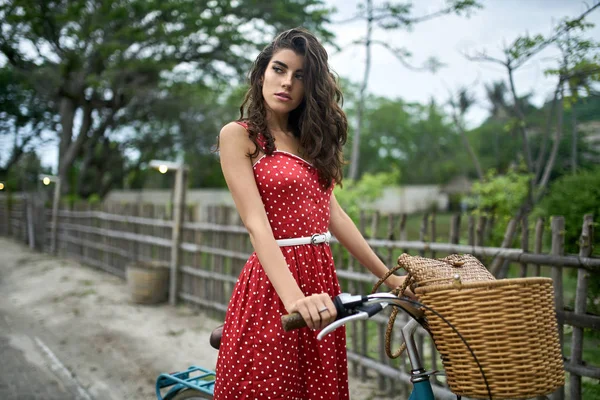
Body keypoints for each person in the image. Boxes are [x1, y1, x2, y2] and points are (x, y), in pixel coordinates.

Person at [214, 27, 407, 400]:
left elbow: (335, 217)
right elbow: (256, 224)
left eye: (299, 76)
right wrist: (294, 298)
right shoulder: (240, 136)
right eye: (279, 69)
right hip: (275, 286)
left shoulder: (310, 141)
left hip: (320, 278)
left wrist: (389, 279)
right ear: (261, 74)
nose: (287, 82)